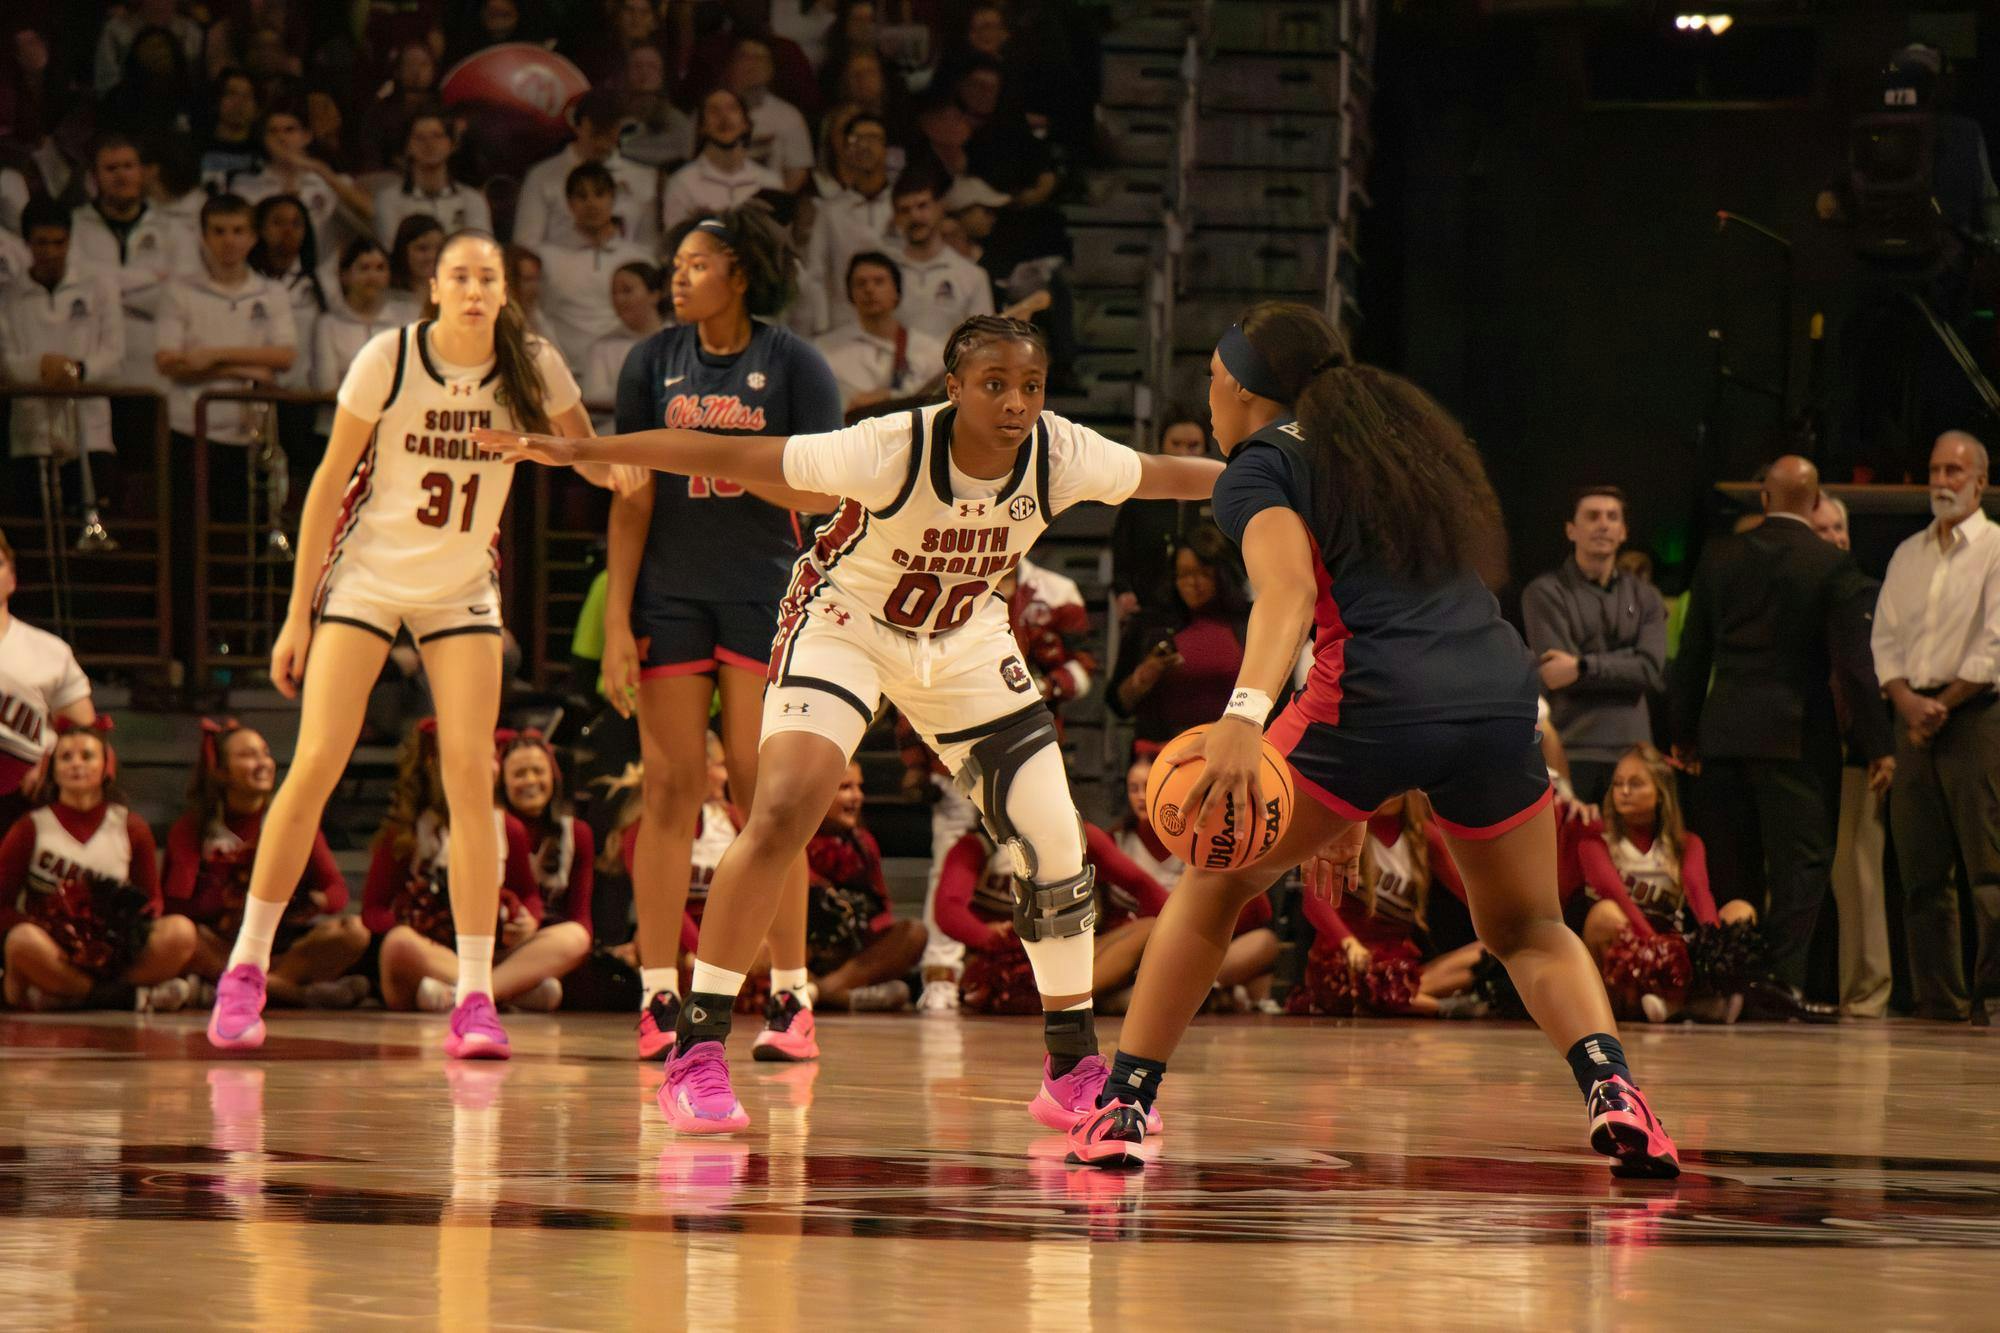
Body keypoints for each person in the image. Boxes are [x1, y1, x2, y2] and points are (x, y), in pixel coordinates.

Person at [477, 313, 1222, 1136]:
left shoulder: (1060, 450)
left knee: (1054, 839)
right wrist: (587, 452)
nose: (1016, 402)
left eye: (1031, 386)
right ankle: (697, 1050)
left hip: (965, 637)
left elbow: (1163, 473)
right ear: (954, 387)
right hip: (847, 625)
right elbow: (737, 455)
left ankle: (1072, 1064)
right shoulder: (890, 446)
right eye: (995, 385)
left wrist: (1272, 476)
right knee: (786, 804)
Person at [1068, 302, 1680, 1178]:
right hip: (1495, 694)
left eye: (1211, 376)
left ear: (1243, 387)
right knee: (1531, 925)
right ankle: (1615, 1089)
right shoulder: (1397, 449)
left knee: (1213, 883)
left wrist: (1244, 717)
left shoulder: (1259, 465)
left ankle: (1123, 1104)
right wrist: (1348, 795)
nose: (1207, 395)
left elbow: (1283, 595)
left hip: (1370, 697)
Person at [202, 229, 606, 1060]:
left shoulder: (532, 364)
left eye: (487, 277)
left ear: (504, 290)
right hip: (369, 579)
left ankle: (475, 994)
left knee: (471, 779)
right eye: (459, 275)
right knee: (314, 761)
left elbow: (591, 462)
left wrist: (561, 449)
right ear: (433, 286)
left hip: (461, 586)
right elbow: (324, 486)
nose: (472, 289)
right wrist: (297, 611)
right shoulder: (389, 357)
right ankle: (244, 967)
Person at [594, 204, 839, 1066]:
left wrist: (725, 459)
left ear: (741, 273)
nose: (679, 276)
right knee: (669, 789)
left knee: (762, 799)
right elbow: (629, 497)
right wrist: (617, 622)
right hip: (668, 596)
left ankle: (790, 994)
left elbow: (824, 492)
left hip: (763, 595)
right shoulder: (649, 361)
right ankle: (659, 991)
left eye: (697, 263)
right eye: (677, 263)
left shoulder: (795, 364)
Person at [1671, 455, 1882, 1009]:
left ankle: (1732, 977)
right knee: (1802, 862)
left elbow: (1692, 653)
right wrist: (1879, 745)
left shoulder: (1719, 557)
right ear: (1815, 505)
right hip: (1796, 737)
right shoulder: (1829, 565)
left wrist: (1683, 732)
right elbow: (1855, 668)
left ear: (1763, 498)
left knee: (1731, 860)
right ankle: (1780, 981)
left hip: (1724, 732)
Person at [1871, 431, 2000, 1023]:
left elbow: (1994, 645)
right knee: (1921, 871)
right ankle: (1938, 999)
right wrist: (1904, 699)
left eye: (1955, 470)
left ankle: (1991, 999)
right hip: (1913, 716)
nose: (1942, 481)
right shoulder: (1907, 553)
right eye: (1934, 469)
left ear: (1980, 480)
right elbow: (1886, 638)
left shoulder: (1996, 549)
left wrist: (1940, 704)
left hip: (1974, 716)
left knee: (1987, 869)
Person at [363, 722, 570, 1011]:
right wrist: (415, 920)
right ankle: (507, 992)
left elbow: (528, 893)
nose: (491, 767)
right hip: (431, 957)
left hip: (488, 953)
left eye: (492, 758)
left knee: (572, 937)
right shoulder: (406, 833)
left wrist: (529, 920)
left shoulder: (507, 827)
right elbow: (372, 911)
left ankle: (474, 994)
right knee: (399, 944)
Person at [163, 719, 369, 1007]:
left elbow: (337, 891)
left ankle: (247, 988)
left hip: (280, 947)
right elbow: (175, 905)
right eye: (248, 755)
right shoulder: (193, 829)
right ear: (220, 771)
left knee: (354, 932)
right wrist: (225, 895)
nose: (263, 763)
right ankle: (297, 995)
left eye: (265, 753)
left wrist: (313, 901)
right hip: (220, 946)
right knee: (182, 935)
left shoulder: (290, 822)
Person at [0, 718, 196, 1012]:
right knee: (21, 942)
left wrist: (120, 935)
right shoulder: (30, 827)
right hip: (53, 948)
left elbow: (152, 900)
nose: (76, 764)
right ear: (52, 769)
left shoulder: (130, 826)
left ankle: (69, 995)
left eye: (87, 756)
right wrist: (48, 929)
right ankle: (129, 998)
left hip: (114, 955)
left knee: (181, 932)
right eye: (65, 757)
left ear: (106, 767)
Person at [1575, 745, 1760, 1023]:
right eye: (1618, 784)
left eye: (1635, 784)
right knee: (1605, 915)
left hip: (1673, 956)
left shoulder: (1686, 844)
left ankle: (1692, 998)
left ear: (1661, 793)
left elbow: (1700, 898)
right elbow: (1613, 892)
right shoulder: (1595, 840)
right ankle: (1687, 1004)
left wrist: (1712, 956)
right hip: (1626, 961)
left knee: (1741, 911)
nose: (1623, 792)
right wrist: (1654, 946)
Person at [936, 820, 1168, 1026]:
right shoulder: (976, 846)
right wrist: (991, 937)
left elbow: (1141, 885)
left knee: (1149, 926)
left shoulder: (1080, 838)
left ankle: (1086, 999)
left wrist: (1180, 933)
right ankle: (1075, 1001)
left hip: (1069, 954)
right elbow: (947, 911)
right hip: (1008, 966)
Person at [1521, 487, 1667, 805]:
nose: (1603, 524)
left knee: (1631, 856)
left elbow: (1651, 671)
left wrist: (1582, 666)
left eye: (1612, 517)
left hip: (1636, 752)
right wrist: (1626, 665)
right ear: (1571, 529)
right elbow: (1555, 676)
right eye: (1592, 516)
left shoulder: (1647, 598)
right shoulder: (1544, 593)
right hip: (1570, 749)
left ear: (1623, 531)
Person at [1812, 493, 1897, 1017]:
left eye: (1840, 528)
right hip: (1808, 752)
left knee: (1858, 871)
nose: (1836, 539)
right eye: (1823, 530)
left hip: (1857, 753)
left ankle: (1867, 992)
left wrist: (1878, 747)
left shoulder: (1867, 595)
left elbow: (1866, 678)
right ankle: (1842, 990)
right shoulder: (1803, 596)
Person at [1295, 791, 1479, 1016]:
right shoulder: (1346, 829)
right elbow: (1313, 898)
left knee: (1484, 954)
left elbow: (1471, 892)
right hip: (1345, 957)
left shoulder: (1424, 837)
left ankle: (1399, 998)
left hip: (1397, 965)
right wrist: (1348, 942)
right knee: (1357, 980)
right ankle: (1438, 1007)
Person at [1119, 748, 1279, 1004]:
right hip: (1140, 951)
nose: (1140, 797)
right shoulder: (1116, 840)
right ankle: (1203, 994)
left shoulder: (1204, 838)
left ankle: (1197, 991)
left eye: (1148, 787)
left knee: (1264, 942)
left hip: (1193, 945)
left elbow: (1259, 910)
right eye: (1133, 788)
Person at [1, 199, 123, 475]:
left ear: (69, 240)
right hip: (31, 435)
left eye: (59, 242)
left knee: (92, 519)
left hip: (90, 432)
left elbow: (114, 357)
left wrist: (77, 370)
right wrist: (44, 366)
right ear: (27, 243)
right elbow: (7, 363)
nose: (51, 252)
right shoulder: (9, 298)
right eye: (42, 243)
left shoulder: (98, 287)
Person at [69, 133, 193, 398]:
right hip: (92, 366)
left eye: (128, 166)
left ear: (142, 172)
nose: (121, 175)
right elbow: (76, 289)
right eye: (111, 168)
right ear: (95, 176)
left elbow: (176, 298)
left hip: (151, 370)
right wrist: (147, 278)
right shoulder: (74, 227)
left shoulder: (173, 230)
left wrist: (105, 287)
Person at [1107, 528, 1249, 747]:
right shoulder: (1148, 626)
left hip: (1235, 749)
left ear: (1222, 574)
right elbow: (1117, 704)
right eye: (1184, 575)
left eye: (1203, 573)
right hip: (1164, 753)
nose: (1193, 583)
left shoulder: (1249, 622)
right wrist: (1141, 679)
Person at [804, 762, 927, 1009]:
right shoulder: (795, 839)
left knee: (914, 932)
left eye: (859, 787)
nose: (857, 796)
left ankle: (818, 993)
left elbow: (881, 914)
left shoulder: (864, 843)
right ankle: (837, 996)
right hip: (801, 953)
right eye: (845, 787)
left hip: (847, 960)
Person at [0, 528, 96, 835]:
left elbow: (87, 735)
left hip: (30, 810)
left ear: (12, 579)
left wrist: (51, 763)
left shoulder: (49, 652)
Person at [495, 728, 597, 1010]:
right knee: (547, 992)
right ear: (502, 782)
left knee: (575, 937)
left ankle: (474, 995)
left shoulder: (577, 834)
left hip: (544, 951)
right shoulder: (493, 826)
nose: (530, 781)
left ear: (553, 776)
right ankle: (495, 992)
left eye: (538, 771)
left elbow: (581, 919)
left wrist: (533, 927)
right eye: (519, 773)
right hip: (493, 946)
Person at [514, 89, 660, 254]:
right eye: (596, 132)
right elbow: (526, 247)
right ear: (578, 126)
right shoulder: (542, 176)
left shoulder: (645, 178)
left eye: (609, 132)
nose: (602, 144)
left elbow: (649, 249)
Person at [539, 163, 653, 372]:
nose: (591, 203)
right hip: (565, 374)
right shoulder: (546, 259)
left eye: (599, 194)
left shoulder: (640, 258)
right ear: (569, 203)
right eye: (582, 197)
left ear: (613, 198)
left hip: (627, 371)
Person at [227, 99, 374, 259]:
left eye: (289, 130)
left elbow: (371, 214)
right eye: (273, 131)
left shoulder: (332, 182)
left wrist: (320, 169)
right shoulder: (244, 185)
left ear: (306, 136)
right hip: (264, 277)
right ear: (265, 139)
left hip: (321, 278)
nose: (281, 137)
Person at [1109, 412, 1215, 617]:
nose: (1184, 452)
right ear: (1161, 446)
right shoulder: (1139, 500)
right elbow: (1121, 554)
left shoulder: (1220, 499)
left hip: (1209, 613)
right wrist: (1124, 592)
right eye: (1176, 444)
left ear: (1205, 450)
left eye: (1193, 445)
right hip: (1149, 612)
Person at [814, 251, 945, 412]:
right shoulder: (825, 351)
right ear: (850, 294)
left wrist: (890, 396)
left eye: (879, 281)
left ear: (896, 291)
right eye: (860, 283)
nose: (869, 289)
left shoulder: (930, 351)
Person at [802, 113, 896, 324]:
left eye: (874, 138)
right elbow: (816, 275)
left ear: (887, 149)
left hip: (898, 327)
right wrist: (822, 327)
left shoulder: (902, 207)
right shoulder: (830, 211)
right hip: (844, 326)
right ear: (845, 151)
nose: (865, 146)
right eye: (856, 140)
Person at [661, 88, 783, 235]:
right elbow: (677, 242)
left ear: (746, 124)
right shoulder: (682, 183)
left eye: (732, 109)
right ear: (702, 127)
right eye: (714, 111)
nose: (724, 117)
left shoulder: (769, 182)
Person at [312, 239, 401, 436]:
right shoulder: (329, 324)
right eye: (364, 268)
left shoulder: (400, 324)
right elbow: (327, 386)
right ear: (344, 276)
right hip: (337, 431)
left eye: (380, 268)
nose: (372, 276)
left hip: (388, 432)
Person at [891, 176, 994, 341]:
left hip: (950, 366)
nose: (915, 216)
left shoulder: (973, 276)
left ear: (940, 209)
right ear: (896, 218)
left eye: (922, 206)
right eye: (905, 210)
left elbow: (983, 341)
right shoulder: (883, 274)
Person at [373, 109, 492, 246]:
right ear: (407, 146)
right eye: (419, 138)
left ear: (452, 144)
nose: (429, 144)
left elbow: (482, 249)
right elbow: (393, 249)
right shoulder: (389, 200)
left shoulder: (472, 200)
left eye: (438, 136)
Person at [581, 261, 666, 434]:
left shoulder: (677, 340)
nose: (619, 299)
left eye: (627, 290)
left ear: (654, 295)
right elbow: (592, 396)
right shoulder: (604, 346)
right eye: (614, 293)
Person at [725, 37, 813, 194]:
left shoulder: (789, 116)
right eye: (745, 57)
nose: (753, 64)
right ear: (731, 65)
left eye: (760, 59)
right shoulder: (712, 110)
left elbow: (797, 172)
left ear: (770, 69)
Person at [386, 215, 445, 318]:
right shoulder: (386, 302)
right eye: (422, 249)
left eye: (439, 249)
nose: (432, 256)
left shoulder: (452, 297)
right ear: (403, 252)